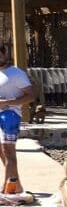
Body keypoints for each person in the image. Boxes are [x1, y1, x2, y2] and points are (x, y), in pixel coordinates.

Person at [0, 43, 36, 193]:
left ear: (4, 54)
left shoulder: (16, 73)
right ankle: (17, 185)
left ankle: (5, 190)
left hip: (10, 116)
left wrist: (7, 102)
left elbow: (30, 96)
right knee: (2, 152)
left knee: (9, 153)